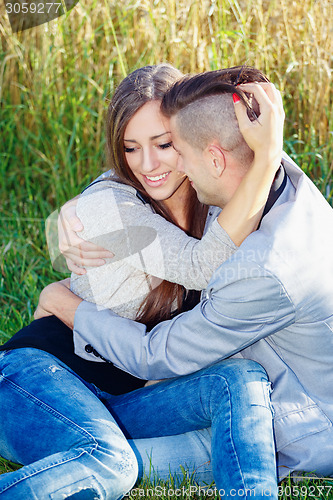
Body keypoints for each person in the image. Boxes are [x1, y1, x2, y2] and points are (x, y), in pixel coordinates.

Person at [0, 65, 282, 499]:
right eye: (131, 149)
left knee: (239, 379)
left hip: (120, 397)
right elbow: (202, 266)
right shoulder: (110, 204)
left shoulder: (213, 199)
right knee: (111, 462)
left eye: (164, 144)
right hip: (35, 377)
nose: (147, 165)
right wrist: (268, 155)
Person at [42, 68, 333, 482]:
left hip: (295, 427)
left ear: (213, 158)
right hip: (258, 386)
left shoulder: (264, 269)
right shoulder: (283, 182)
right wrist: (93, 201)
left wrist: (63, 301)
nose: (170, 164)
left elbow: (156, 356)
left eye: (173, 148)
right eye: (131, 149)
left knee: (114, 460)